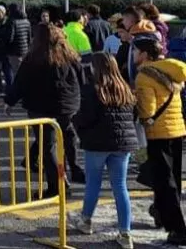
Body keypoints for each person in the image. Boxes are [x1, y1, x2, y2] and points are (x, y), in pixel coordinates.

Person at [5, 24, 85, 195]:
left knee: (48, 146)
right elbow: (83, 78)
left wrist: (9, 101)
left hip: (40, 107)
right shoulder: (70, 55)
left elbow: (20, 82)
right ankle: (74, 168)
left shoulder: (33, 58)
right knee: (68, 137)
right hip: (68, 105)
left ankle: (57, 185)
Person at [68, 53, 137, 248]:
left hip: (97, 144)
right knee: (120, 186)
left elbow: (86, 117)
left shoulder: (94, 90)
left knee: (93, 184)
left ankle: (86, 221)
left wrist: (75, 121)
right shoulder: (125, 89)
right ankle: (125, 233)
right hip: (123, 144)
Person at [133, 34, 186, 245]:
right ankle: (161, 213)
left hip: (158, 134)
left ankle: (178, 228)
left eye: (136, 51)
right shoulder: (170, 71)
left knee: (165, 182)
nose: (134, 54)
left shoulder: (144, 76)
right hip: (176, 130)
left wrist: (139, 112)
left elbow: (148, 111)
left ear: (144, 54)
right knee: (172, 179)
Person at [2, 4, 31, 94]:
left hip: (13, 51)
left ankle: (18, 93)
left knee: (15, 74)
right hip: (24, 51)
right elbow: (29, 38)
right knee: (23, 73)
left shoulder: (12, 22)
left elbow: (9, 38)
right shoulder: (27, 21)